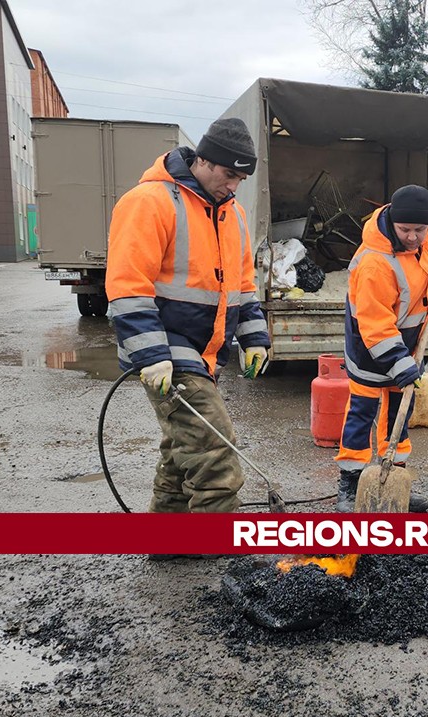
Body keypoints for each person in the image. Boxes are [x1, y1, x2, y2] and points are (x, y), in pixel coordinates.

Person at [106, 117, 271, 517]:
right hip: (167, 349)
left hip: (204, 354)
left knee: (183, 449)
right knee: (214, 450)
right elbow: (128, 288)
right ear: (203, 160)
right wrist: (152, 355)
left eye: (241, 179)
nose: (233, 186)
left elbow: (242, 286)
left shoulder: (233, 215)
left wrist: (255, 339)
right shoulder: (149, 202)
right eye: (229, 174)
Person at [335, 184, 428, 512]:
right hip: (370, 342)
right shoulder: (375, 263)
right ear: (393, 221)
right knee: (362, 412)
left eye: (420, 230)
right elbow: (375, 324)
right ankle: (350, 484)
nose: (415, 237)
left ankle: (394, 481)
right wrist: (400, 365)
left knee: (399, 413)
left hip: (410, 341)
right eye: (406, 230)